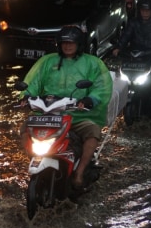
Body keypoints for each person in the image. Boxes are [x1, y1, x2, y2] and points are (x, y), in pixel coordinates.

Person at [20, 25, 113, 190]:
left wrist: (90, 99)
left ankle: (79, 172)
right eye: (64, 42)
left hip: (78, 115)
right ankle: (37, 159)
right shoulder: (47, 61)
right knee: (25, 128)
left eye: (71, 43)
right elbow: (33, 82)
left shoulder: (93, 63)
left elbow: (101, 87)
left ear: (79, 44)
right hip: (48, 114)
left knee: (92, 132)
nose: (67, 46)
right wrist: (26, 96)